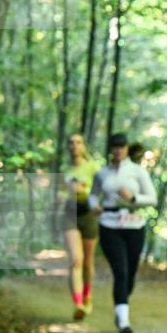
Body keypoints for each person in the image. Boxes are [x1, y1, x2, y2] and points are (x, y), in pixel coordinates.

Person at [89, 133, 157, 333]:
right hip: (109, 224)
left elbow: (152, 198)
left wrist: (134, 198)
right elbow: (93, 195)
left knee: (130, 274)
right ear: (110, 149)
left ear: (127, 148)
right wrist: (94, 206)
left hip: (134, 225)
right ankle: (124, 322)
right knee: (121, 271)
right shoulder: (102, 173)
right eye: (115, 146)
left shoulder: (138, 171)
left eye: (121, 146)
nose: (118, 150)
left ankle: (121, 307)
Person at [61, 134, 100, 320]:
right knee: (76, 259)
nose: (74, 146)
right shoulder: (65, 170)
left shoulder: (93, 167)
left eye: (78, 143)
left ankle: (87, 295)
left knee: (87, 262)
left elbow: (101, 190)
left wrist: (85, 191)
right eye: (71, 143)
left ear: (84, 146)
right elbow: (60, 192)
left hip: (88, 214)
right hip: (70, 214)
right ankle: (78, 304)